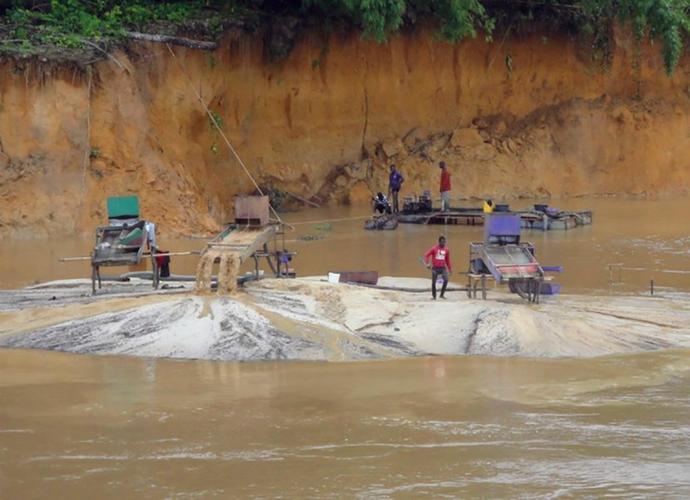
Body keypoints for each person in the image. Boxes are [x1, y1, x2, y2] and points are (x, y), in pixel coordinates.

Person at [424, 235, 452, 300]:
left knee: (446, 280)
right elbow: (426, 255)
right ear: (439, 242)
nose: (443, 243)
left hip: (443, 268)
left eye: (444, 242)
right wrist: (428, 263)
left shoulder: (446, 250)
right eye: (442, 242)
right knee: (433, 282)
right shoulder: (434, 248)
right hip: (435, 268)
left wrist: (450, 269)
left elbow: (448, 260)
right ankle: (434, 296)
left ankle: (442, 295)